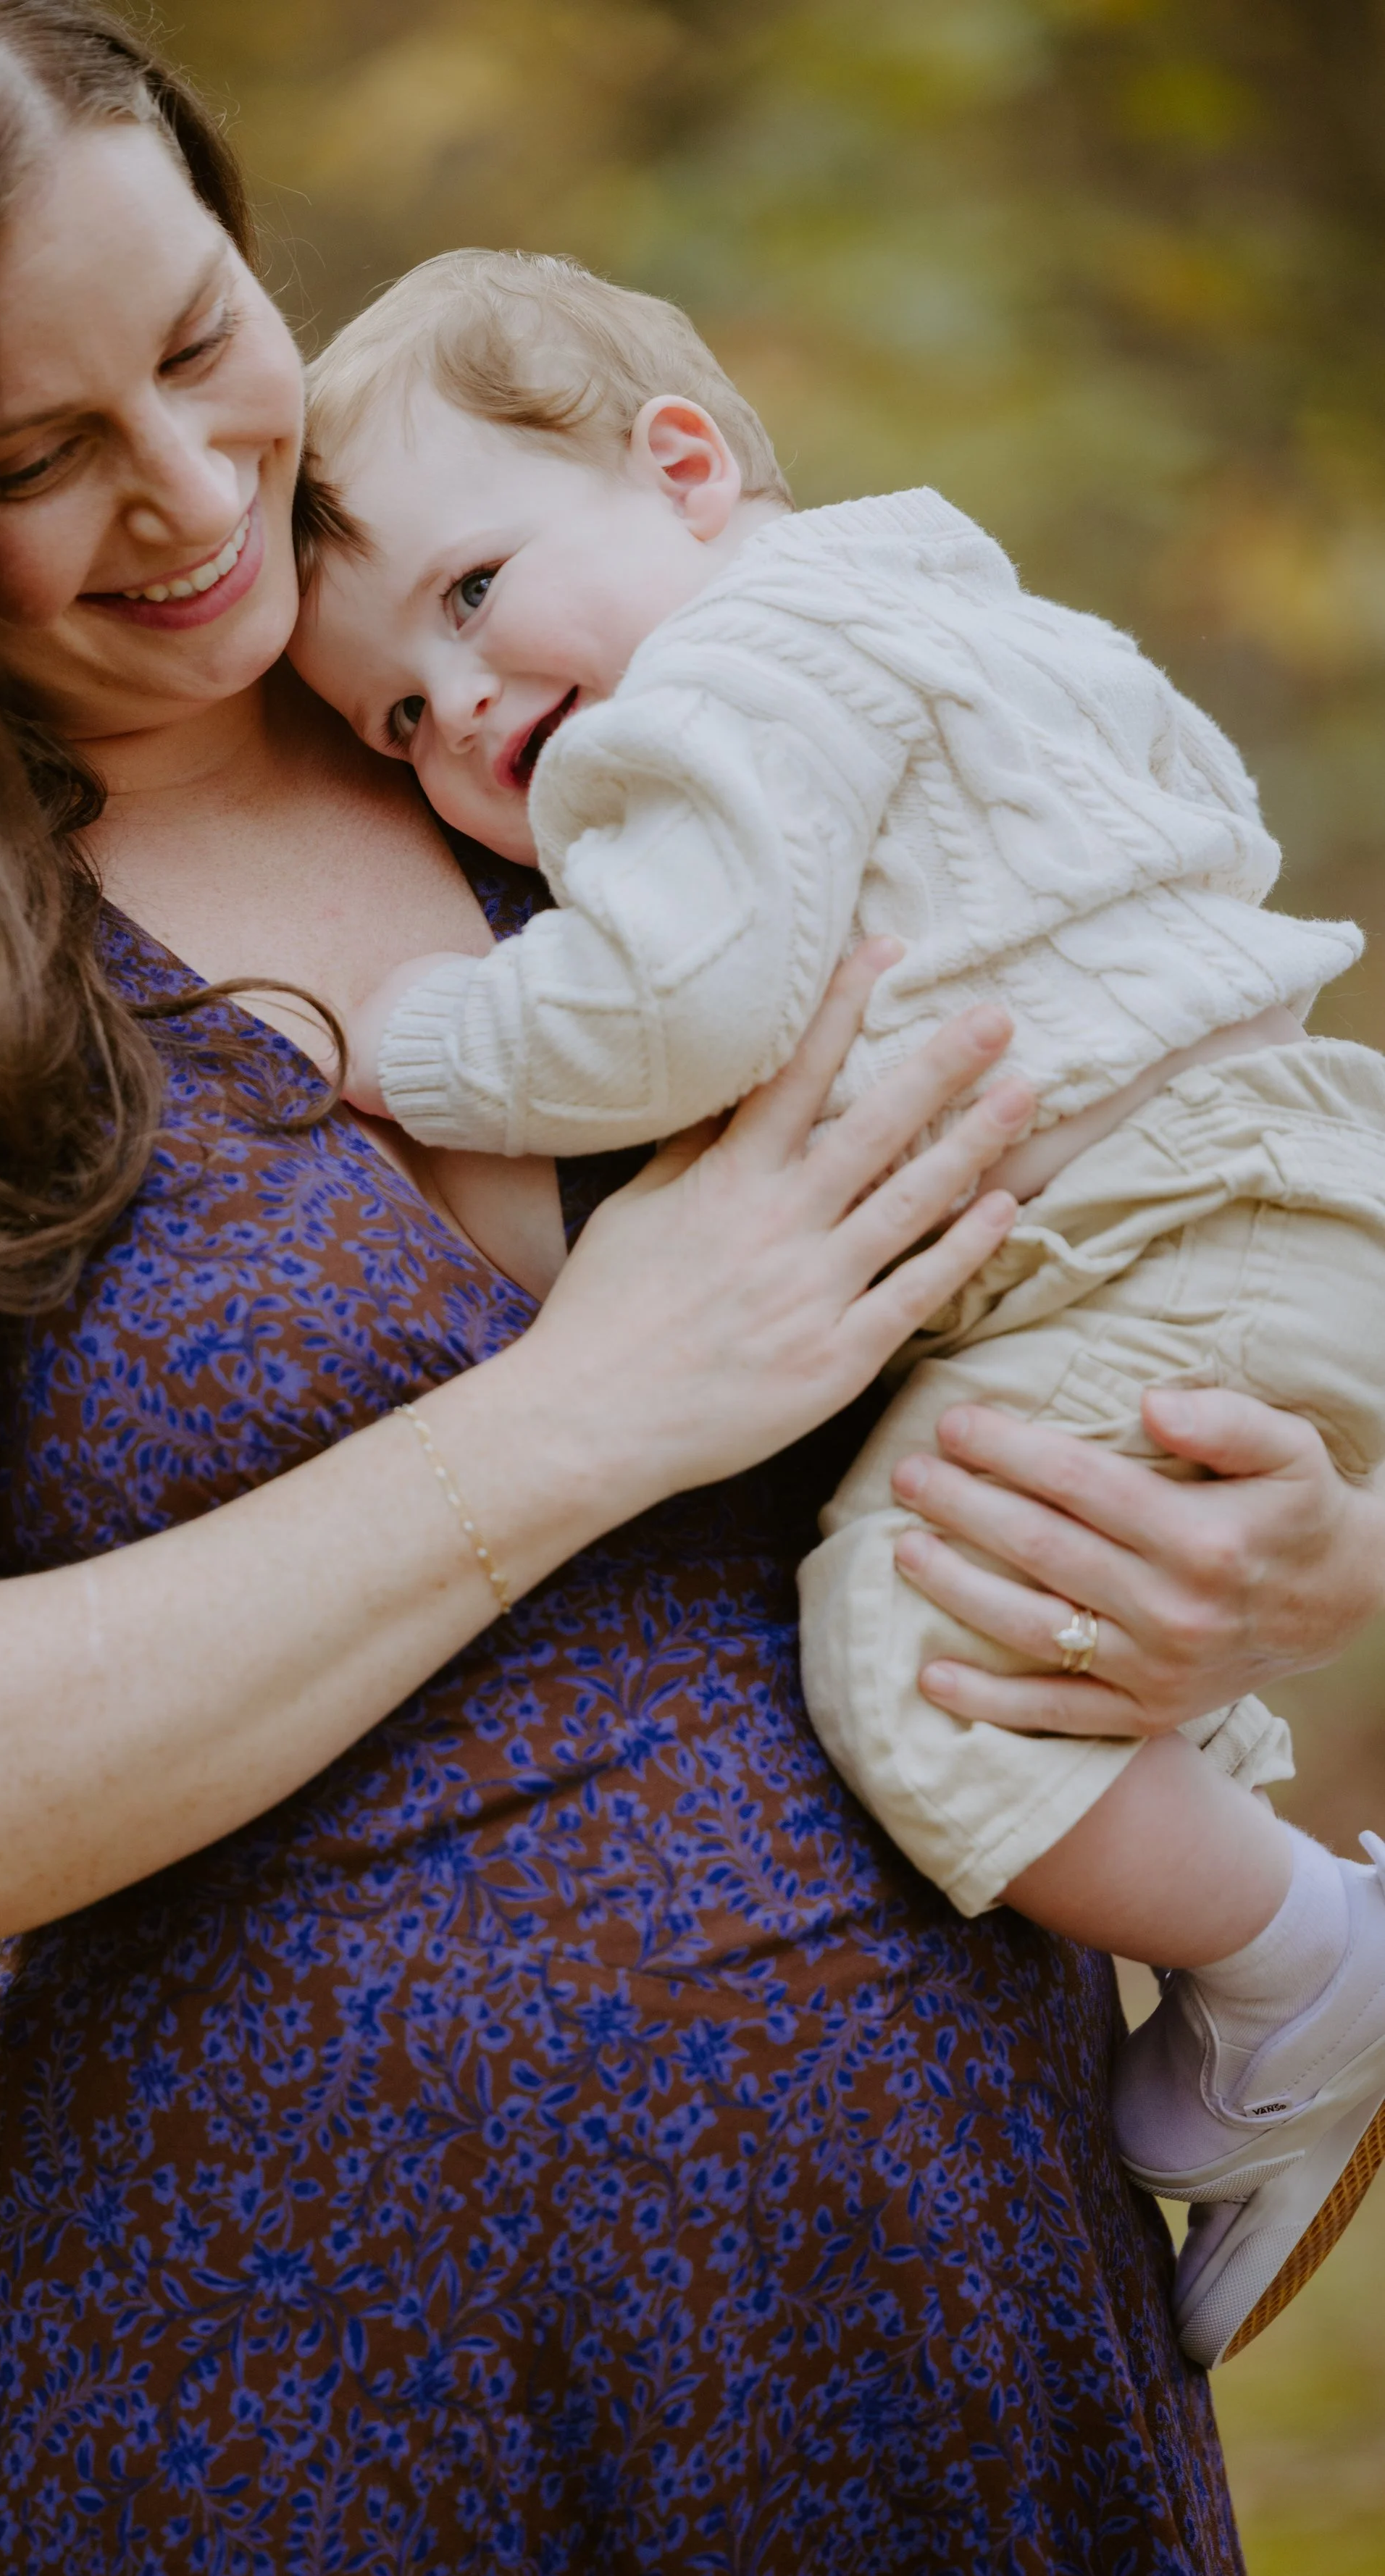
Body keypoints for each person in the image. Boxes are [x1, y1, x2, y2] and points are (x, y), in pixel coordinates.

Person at [0, 4, 1383, 2576]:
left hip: (937, 2312)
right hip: (290, 2404)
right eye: (17, 455)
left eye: (199, 349)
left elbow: (1139, 1125)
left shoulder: (540, 709)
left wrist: (1299, 1539)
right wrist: (583, 1406)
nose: (188, 499)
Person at [288, 248, 1385, 2369]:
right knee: (1039, 1576)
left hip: (1148, 1216)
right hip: (1263, 1185)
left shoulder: (715, 700)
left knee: (905, 1642)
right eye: (395, 718)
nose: (460, 713)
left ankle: (1301, 1958)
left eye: (470, 594)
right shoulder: (951, 616)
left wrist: (416, 1038)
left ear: (683, 468)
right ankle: (1242, 1894)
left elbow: (672, 1006)